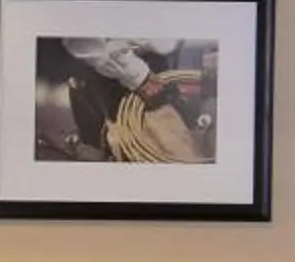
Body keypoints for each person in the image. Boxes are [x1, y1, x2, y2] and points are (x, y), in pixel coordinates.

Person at [42, 35, 216, 165]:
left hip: (156, 61)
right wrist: (136, 76)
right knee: (154, 149)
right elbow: (84, 41)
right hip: (121, 70)